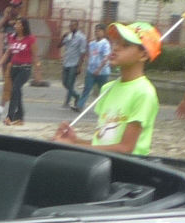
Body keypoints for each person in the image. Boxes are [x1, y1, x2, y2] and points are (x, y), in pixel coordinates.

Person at [56, 21, 162, 156]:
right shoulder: (108, 88)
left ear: (143, 55)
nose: (116, 48)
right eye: (116, 42)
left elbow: (125, 148)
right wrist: (75, 141)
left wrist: (74, 148)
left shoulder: (144, 93)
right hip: (104, 163)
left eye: (126, 45)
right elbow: (102, 144)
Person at [1, 17, 36, 125]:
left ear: (24, 26)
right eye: (15, 24)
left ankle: (10, 117)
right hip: (14, 67)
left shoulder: (30, 39)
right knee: (17, 91)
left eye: (18, 24)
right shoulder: (12, 37)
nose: (15, 26)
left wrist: (37, 71)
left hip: (25, 68)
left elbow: (35, 55)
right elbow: (8, 53)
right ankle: (20, 115)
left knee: (15, 89)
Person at [59, 23, 87, 109]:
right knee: (65, 83)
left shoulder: (82, 37)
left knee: (70, 84)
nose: (71, 27)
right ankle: (76, 95)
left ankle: (67, 102)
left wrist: (79, 66)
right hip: (66, 62)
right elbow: (59, 45)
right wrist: (63, 37)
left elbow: (82, 52)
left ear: (77, 26)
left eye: (74, 25)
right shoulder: (68, 36)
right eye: (70, 25)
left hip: (74, 64)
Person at [82, 28, 112, 107]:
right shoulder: (92, 43)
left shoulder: (106, 44)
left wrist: (99, 69)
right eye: (96, 31)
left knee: (103, 90)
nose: (97, 33)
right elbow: (89, 55)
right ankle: (80, 105)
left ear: (104, 33)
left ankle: (105, 106)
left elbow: (106, 57)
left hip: (102, 72)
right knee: (87, 88)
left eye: (99, 31)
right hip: (91, 70)